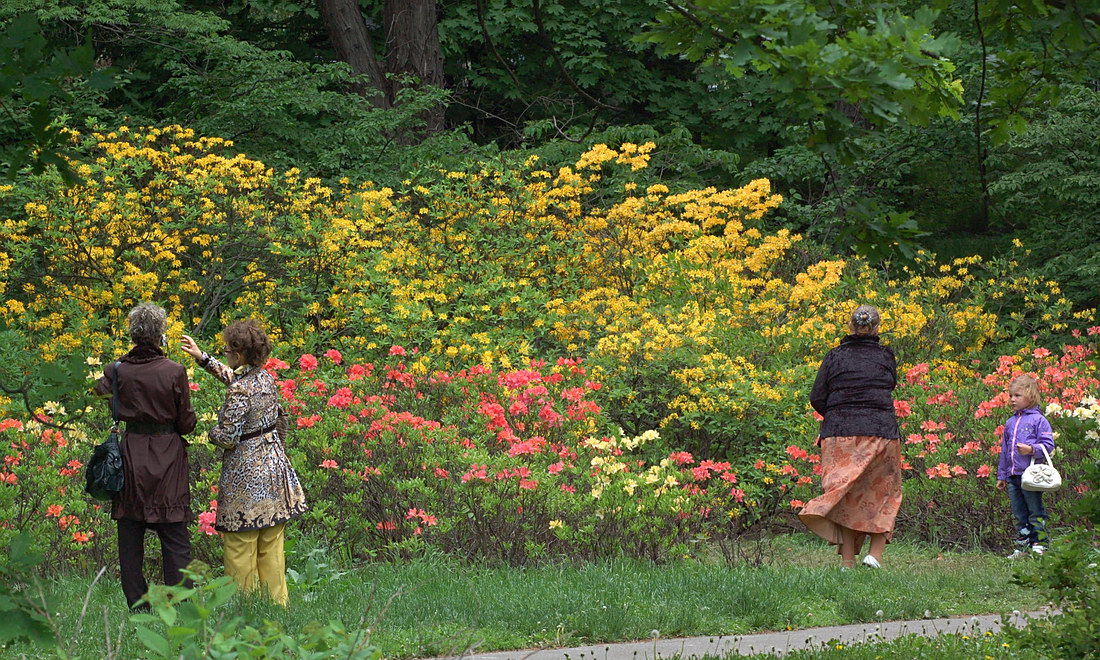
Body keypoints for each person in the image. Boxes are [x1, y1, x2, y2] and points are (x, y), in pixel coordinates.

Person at [181, 320, 307, 605]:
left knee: (240, 548)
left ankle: (244, 610)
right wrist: (203, 359)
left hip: (246, 480)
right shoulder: (265, 379)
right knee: (271, 548)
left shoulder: (241, 390)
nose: (224, 354)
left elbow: (227, 436)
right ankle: (277, 607)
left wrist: (209, 430)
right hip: (274, 471)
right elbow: (236, 380)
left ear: (238, 356)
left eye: (226, 351)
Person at [94, 303, 197, 610]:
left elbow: (98, 392)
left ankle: (138, 606)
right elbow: (186, 423)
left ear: (133, 334)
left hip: (130, 453)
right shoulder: (174, 371)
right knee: (174, 534)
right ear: (160, 335)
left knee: (129, 534)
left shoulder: (117, 370)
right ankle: (181, 604)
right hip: (167, 456)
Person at [799, 305, 902, 569]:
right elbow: (889, 384)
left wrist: (838, 413)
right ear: (877, 328)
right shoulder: (885, 356)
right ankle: (875, 556)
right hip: (880, 429)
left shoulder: (834, 357)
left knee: (846, 494)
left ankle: (847, 562)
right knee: (885, 493)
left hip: (839, 432)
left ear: (849, 326)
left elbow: (817, 396)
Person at [996, 374, 1055, 558]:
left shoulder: (1039, 420)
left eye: (1017, 395)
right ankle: (1023, 546)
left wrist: (1031, 449)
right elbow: (1005, 451)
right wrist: (1002, 475)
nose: (1012, 399)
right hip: (1014, 476)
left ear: (1030, 396)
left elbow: (1048, 445)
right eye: (1011, 395)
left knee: (1035, 510)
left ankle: (1040, 544)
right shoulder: (1010, 422)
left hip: (1031, 475)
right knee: (1020, 513)